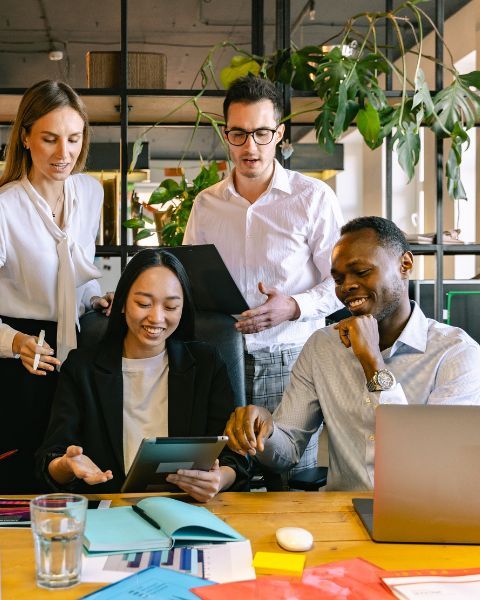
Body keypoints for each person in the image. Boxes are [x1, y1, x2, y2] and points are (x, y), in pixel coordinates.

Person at [225, 217, 480, 490]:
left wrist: (372, 363)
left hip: (425, 516)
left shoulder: (456, 354)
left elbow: (430, 460)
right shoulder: (322, 346)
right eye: (338, 279)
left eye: (361, 272)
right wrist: (266, 430)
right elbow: (286, 452)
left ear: (405, 265)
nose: (346, 286)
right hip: (343, 516)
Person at [184, 75, 343, 483]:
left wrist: (293, 305)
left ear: (279, 134)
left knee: (290, 479)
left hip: (292, 359)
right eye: (239, 134)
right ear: (226, 134)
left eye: (261, 133)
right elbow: (183, 278)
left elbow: (342, 283)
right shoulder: (207, 204)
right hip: (222, 359)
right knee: (220, 476)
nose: (250, 147)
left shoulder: (312, 198)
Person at [36, 249, 249, 502]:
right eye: (144, 304)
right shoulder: (82, 368)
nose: (157, 317)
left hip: (188, 509)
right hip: (110, 514)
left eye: (171, 306)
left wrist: (219, 479)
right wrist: (67, 466)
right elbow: (50, 460)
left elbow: (234, 454)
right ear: (123, 303)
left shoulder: (206, 364)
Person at [0, 80, 111, 493]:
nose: (64, 154)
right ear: (25, 137)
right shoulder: (5, 208)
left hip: (74, 356)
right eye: (49, 139)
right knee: (19, 481)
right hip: (18, 359)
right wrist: (14, 342)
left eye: (73, 138)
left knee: (72, 469)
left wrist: (95, 297)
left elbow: (76, 276)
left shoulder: (90, 192)